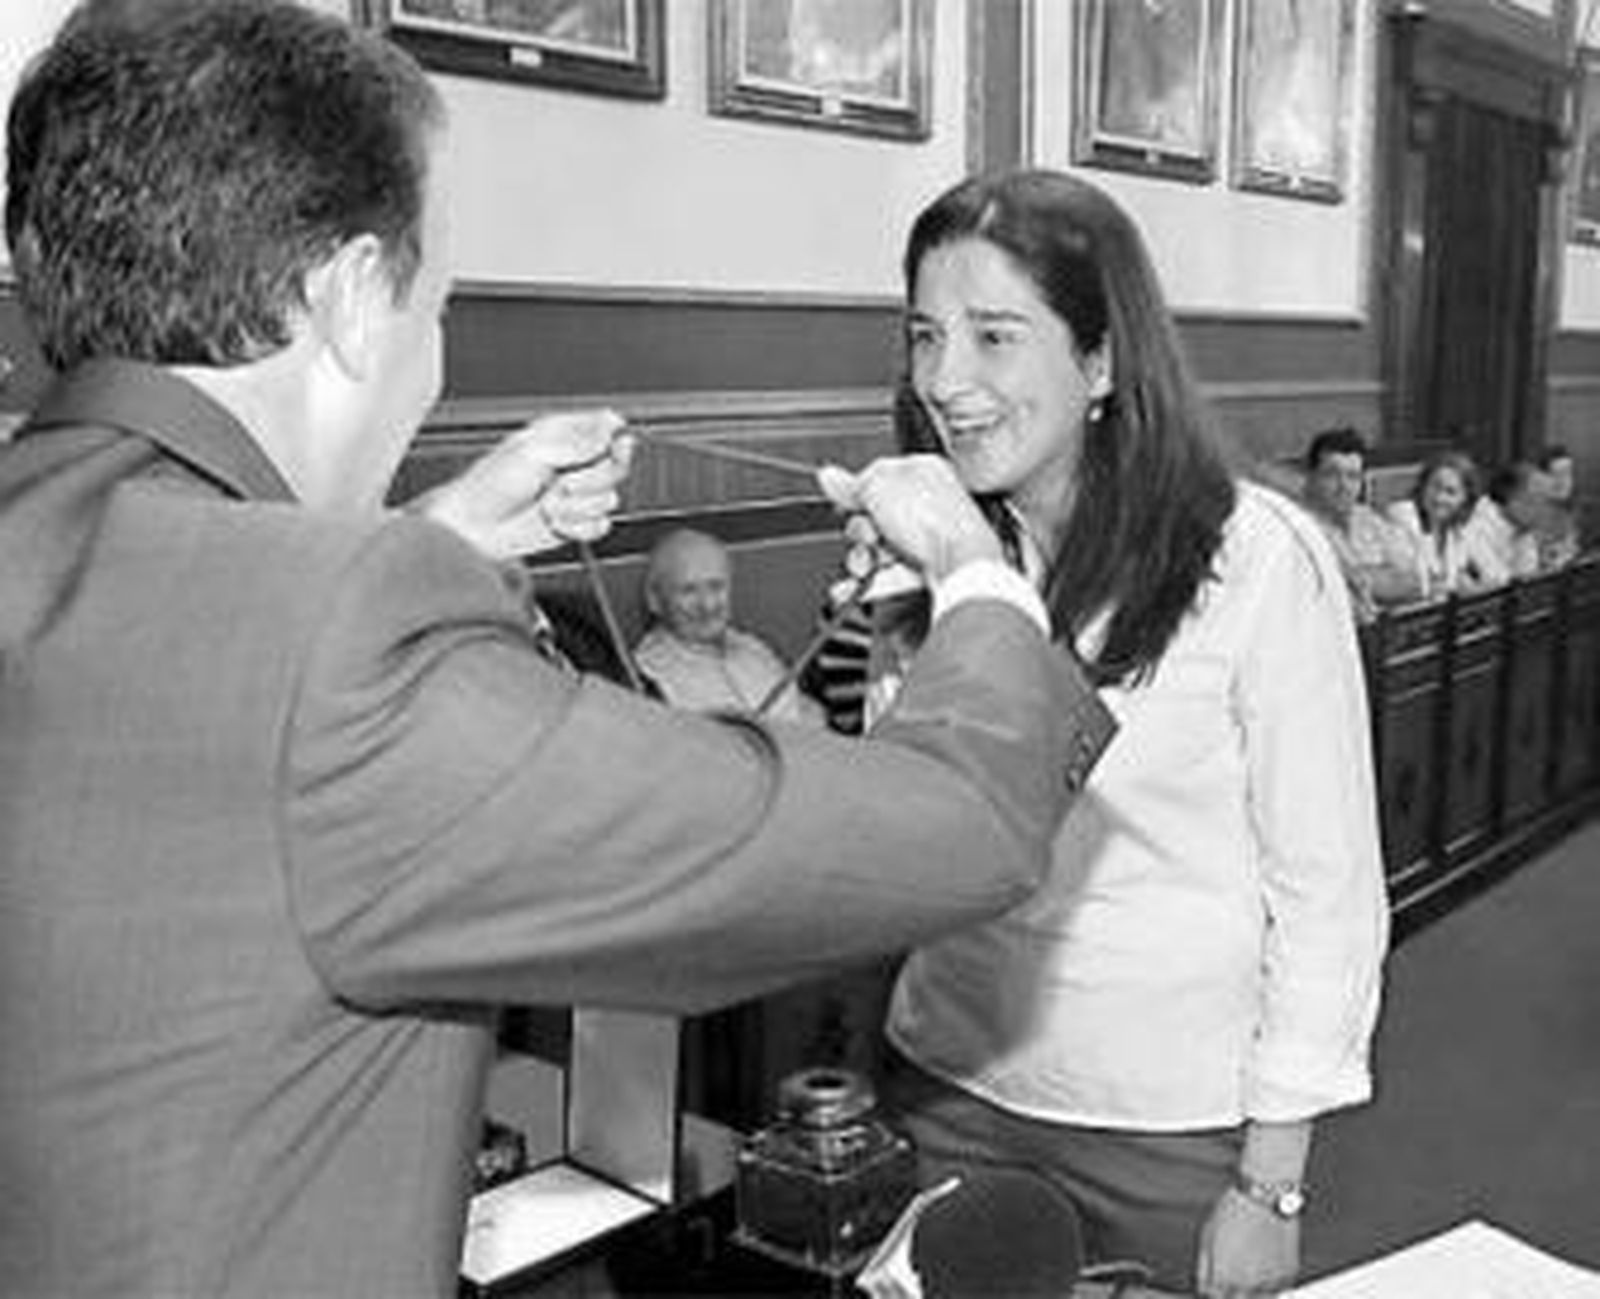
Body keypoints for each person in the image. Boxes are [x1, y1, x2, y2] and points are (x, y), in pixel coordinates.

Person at [0, 6, 1118, 1297]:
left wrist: (444, 532)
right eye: (438, 306)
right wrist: (978, 578)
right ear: (355, 298)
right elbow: (960, 818)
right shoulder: (340, 638)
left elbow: (197, 689)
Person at [863, 169, 1388, 1296]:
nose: (946, 382)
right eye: (923, 337)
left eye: (995, 337)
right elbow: (912, 837)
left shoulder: (1253, 560)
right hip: (948, 1076)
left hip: (1167, 1123)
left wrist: (1268, 1186)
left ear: (1100, 363)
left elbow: (1328, 895)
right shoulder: (933, 548)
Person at [633, 526, 821, 723]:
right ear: (654, 599)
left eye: (716, 587)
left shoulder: (756, 649)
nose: (707, 605)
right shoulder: (646, 680)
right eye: (688, 591)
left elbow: (807, 714)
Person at [1299, 426, 1427, 620]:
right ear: (1311, 477)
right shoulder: (1300, 528)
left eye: (1353, 476)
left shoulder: (1370, 519)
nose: (1344, 486)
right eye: (1332, 474)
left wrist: (1355, 577)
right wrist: (1384, 575)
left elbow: (1416, 582)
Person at [1385, 449, 1507, 595]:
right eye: (1434, 487)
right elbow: (1413, 585)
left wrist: (1471, 585)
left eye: (1450, 492)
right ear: (1423, 486)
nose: (1439, 498)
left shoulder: (1459, 528)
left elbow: (1498, 577)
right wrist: (1460, 586)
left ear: (1465, 499)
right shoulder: (1403, 516)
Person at [1478, 460, 1550, 580]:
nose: (1544, 509)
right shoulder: (1478, 526)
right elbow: (1497, 586)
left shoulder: (1519, 524)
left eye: (1545, 500)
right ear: (1511, 497)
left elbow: (1527, 574)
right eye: (1537, 499)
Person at [1537, 444, 1582, 568]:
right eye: (1556, 475)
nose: (1564, 482)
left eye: (1567, 474)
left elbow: (1571, 551)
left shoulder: (1567, 509)